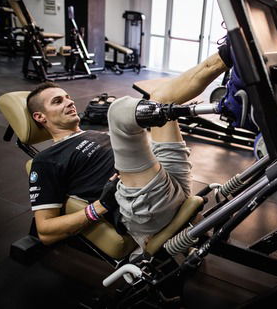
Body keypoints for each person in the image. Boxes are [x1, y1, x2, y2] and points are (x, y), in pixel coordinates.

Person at [26, 45, 232, 252]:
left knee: (160, 96)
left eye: (68, 97)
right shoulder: (46, 159)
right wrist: (100, 206)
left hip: (168, 181)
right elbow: (44, 231)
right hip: (142, 204)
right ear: (40, 117)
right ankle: (205, 103)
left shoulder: (91, 133)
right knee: (118, 111)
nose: (69, 102)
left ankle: (229, 53)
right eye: (57, 101)